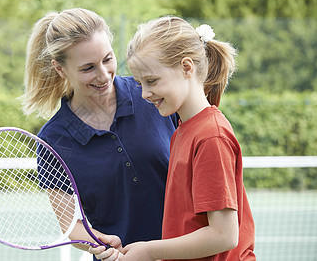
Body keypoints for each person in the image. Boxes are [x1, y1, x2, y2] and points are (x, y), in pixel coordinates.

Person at [93, 16, 255, 261]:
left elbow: (224, 235)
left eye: (152, 81)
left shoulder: (211, 136)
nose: (145, 94)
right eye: (139, 83)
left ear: (187, 67)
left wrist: (149, 250)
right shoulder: (182, 130)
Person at [21, 8, 179, 259]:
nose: (103, 75)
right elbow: (73, 226)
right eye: (88, 68)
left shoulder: (152, 95)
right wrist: (98, 241)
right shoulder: (53, 141)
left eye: (107, 59)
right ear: (60, 69)